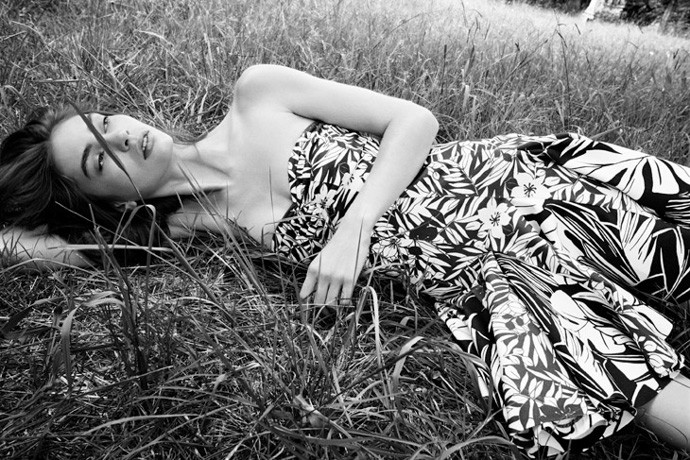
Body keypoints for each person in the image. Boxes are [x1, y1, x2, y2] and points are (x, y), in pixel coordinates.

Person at [1, 64, 689, 457]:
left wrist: (356, 227)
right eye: (100, 158)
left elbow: (414, 120)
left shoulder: (257, 94)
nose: (123, 137)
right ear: (108, 202)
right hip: (478, 273)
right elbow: (27, 246)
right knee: (615, 378)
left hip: (502, 186)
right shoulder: (187, 235)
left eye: (106, 123)